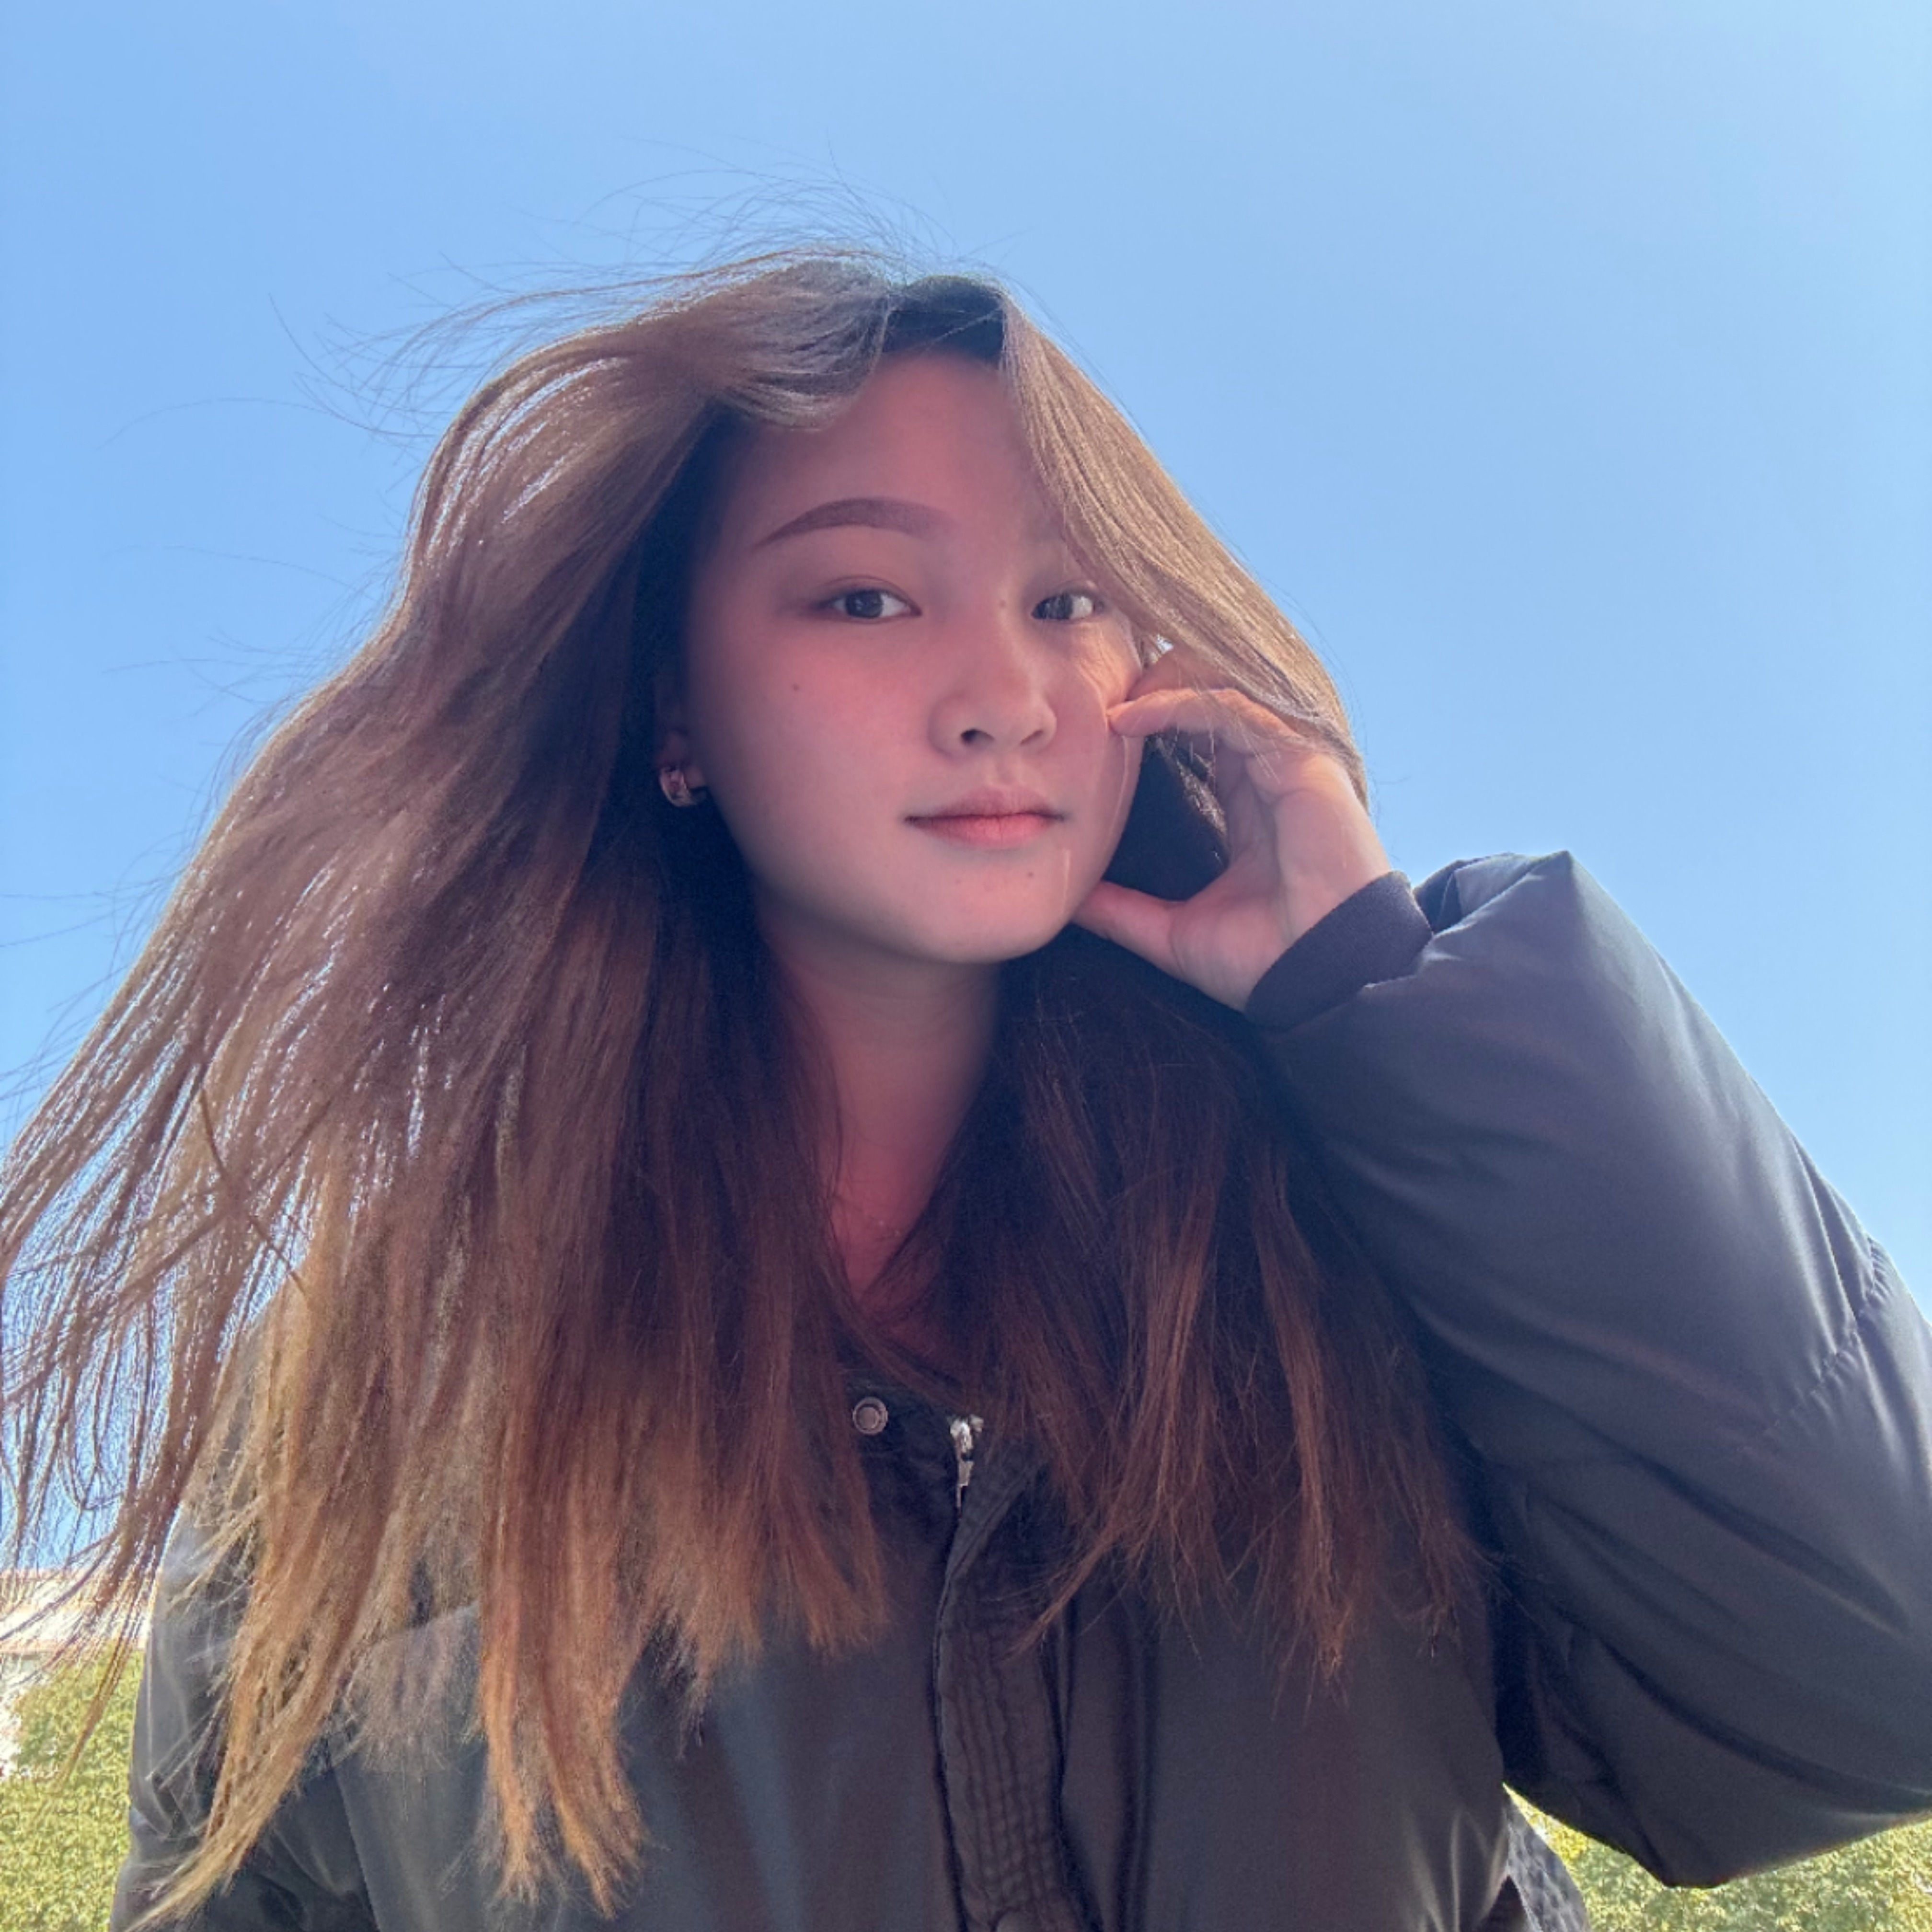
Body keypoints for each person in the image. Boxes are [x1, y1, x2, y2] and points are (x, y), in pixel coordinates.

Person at [2, 254, 1927, 1932]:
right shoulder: (383, 1404)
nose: (1004, 691)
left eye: (1071, 601)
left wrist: (1373, 989)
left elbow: (1863, 1699)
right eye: (863, 600)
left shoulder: (1352, 1231)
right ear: (676, 713)